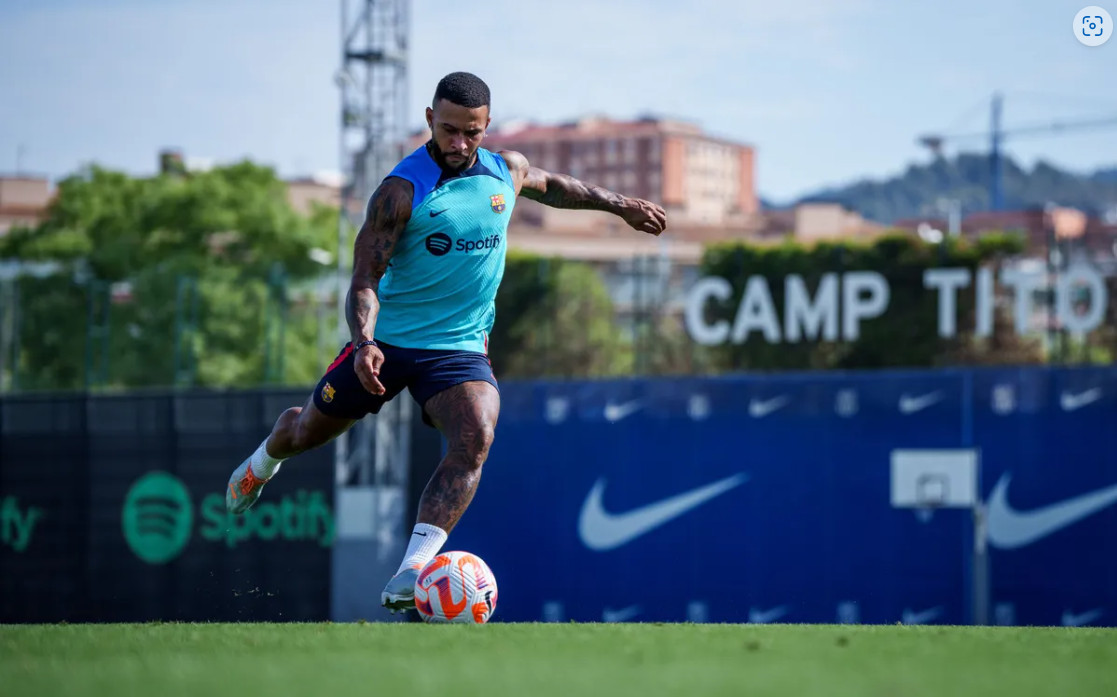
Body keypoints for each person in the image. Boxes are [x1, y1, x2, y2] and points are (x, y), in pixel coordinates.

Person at [223, 71, 667, 612]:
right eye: (449, 129)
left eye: (471, 132)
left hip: (457, 349)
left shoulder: (506, 170)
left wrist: (619, 204)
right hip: (386, 347)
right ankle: (264, 460)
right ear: (431, 120)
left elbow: (556, 187)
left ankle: (411, 572)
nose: (459, 143)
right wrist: (363, 343)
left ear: (486, 126)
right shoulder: (400, 192)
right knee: (306, 434)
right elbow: (364, 279)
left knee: (476, 432)